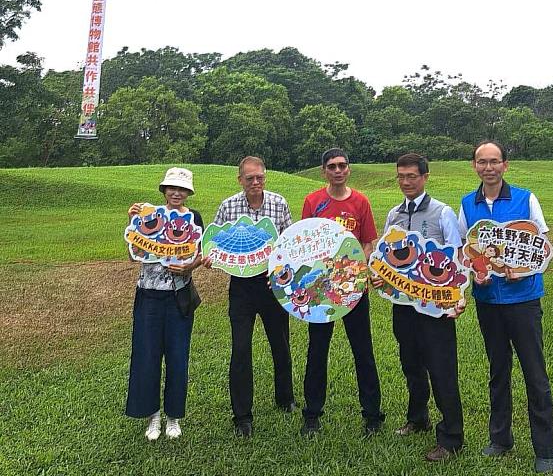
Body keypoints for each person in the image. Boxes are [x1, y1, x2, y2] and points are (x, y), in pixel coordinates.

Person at [459, 141, 553, 475]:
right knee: (498, 372)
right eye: (482, 162)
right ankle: (500, 439)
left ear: (505, 165)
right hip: (488, 303)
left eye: (494, 161)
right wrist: (476, 271)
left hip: (523, 300)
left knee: (535, 375)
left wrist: (526, 270)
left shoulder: (525, 199)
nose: (488, 167)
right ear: (475, 166)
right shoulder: (467, 204)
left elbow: (542, 247)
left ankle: (545, 449)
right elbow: (464, 251)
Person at [376, 153, 464, 462]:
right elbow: (385, 258)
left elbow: (456, 259)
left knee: (441, 369)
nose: (406, 182)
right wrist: (381, 280)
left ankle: (451, 437)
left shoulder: (442, 213)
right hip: (403, 306)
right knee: (411, 363)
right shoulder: (393, 215)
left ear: (425, 177)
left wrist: (456, 299)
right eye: (401, 176)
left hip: (436, 309)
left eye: (412, 176)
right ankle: (418, 418)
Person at [208, 156, 295, 438]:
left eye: (260, 177)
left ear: (264, 177)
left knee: (281, 345)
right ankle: (242, 415)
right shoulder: (228, 206)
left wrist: (282, 273)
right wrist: (211, 257)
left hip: (272, 287)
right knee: (241, 349)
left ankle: (285, 399)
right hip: (242, 287)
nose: (255, 183)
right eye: (250, 179)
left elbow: (289, 244)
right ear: (240, 180)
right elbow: (214, 243)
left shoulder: (279, 203)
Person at [300, 148, 384, 438]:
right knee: (317, 350)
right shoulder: (313, 201)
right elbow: (306, 245)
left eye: (342, 166)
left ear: (348, 170)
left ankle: (372, 415)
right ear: (324, 171)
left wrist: (351, 275)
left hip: (353, 289)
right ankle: (312, 415)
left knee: (363, 351)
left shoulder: (360, 201)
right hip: (320, 292)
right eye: (332, 166)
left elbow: (368, 243)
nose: (338, 170)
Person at [125, 167, 204, 441]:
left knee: (177, 356)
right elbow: (133, 253)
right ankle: (152, 415)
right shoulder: (148, 215)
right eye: (171, 187)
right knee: (146, 356)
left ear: (188, 192)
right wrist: (133, 222)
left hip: (178, 297)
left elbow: (199, 254)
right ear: (163, 190)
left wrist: (190, 266)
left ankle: (173, 417)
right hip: (148, 295)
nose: (176, 193)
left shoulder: (194, 218)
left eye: (182, 189)